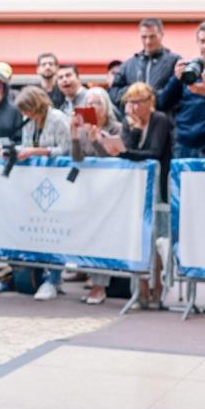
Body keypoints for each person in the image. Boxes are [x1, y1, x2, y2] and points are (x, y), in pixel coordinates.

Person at [96, 82, 173, 308]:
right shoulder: (128, 124)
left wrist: (126, 151)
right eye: (130, 101)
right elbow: (127, 150)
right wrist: (132, 133)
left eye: (138, 101)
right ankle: (140, 291)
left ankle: (157, 289)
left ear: (149, 102)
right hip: (135, 187)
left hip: (158, 186)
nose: (133, 106)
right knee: (137, 237)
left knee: (155, 238)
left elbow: (154, 152)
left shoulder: (159, 119)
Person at [12, 87, 72, 301]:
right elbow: (27, 145)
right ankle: (45, 274)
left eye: (27, 110)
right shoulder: (29, 121)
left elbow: (66, 150)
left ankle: (54, 278)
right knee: (40, 231)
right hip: (36, 181)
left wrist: (36, 152)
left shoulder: (57, 118)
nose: (25, 115)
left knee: (55, 230)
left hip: (58, 183)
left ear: (35, 105)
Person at [70, 89, 123, 305]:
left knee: (104, 238)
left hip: (112, 193)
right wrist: (74, 136)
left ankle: (100, 286)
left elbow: (112, 160)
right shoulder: (82, 128)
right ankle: (92, 278)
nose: (92, 107)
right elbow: (76, 158)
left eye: (97, 103)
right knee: (88, 237)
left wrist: (96, 141)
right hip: (87, 192)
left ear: (107, 106)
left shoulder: (117, 128)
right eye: (88, 103)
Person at [155, 19, 205, 156]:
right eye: (202, 41)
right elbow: (162, 103)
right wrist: (176, 78)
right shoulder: (190, 68)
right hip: (183, 144)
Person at [109, 18, 180, 111]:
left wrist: (153, 95)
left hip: (166, 121)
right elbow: (114, 92)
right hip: (135, 122)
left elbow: (181, 93)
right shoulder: (130, 64)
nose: (148, 41)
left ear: (161, 35)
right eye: (144, 37)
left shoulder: (174, 61)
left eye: (152, 37)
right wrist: (134, 93)